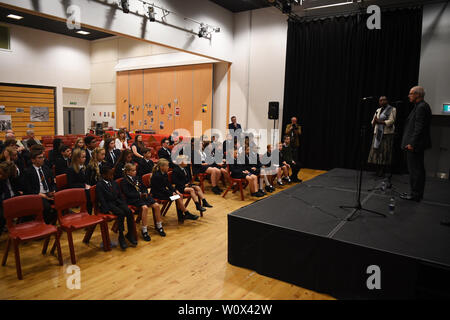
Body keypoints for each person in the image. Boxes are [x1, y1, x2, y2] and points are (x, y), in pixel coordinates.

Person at [400, 86, 432, 202]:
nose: (409, 95)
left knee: (415, 170)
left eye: (411, 93)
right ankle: (416, 193)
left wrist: (412, 143)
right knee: (417, 170)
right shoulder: (420, 106)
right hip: (417, 144)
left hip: (415, 145)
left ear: (417, 95)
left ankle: (415, 195)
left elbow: (419, 128)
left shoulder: (421, 107)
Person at [96, 165, 137, 250]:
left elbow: (120, 195)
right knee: (121, 213)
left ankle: (130, 233)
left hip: (117, 202)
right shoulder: (100, 185)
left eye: (112, 174)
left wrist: (124, 204)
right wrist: (107, 210)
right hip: (109, 204)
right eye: (110, 174)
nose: (112, 176)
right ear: (103, 175)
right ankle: (121, 236)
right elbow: (101, 200)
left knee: (128, 211)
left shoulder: (113, 182)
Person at [121, 163, 166, 240]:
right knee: (144, 208)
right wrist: (140, 195)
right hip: (134, 199)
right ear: (128, 172)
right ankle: (144, 230)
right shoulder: (125, 181)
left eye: (135, 170)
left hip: (143, 196)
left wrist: (145, 192)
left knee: (156, 205)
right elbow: (127, 193)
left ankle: (159, 226)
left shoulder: (137, 178)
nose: (135, 172)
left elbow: (144, 187)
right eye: (133, 170)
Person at [151, 159, 198, 223]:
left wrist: (175, 191)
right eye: (167, 166)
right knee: (177, 197)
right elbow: (160, 189)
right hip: (158, 195)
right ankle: (186, 213)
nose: (168, 167)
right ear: (161, 167)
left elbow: (169, 185)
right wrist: (171, 193)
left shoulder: (164, 173)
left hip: (164, 193)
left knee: (180, 195)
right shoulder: (157, 176)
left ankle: (181, 216)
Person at [22, 148, 56, 224]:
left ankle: (51, 223)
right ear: (33, 160)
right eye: (39, 158)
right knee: (46, 207)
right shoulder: (28, 172)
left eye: (43, 157)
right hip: (36, 195)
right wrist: (39, 194)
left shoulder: (46, 168)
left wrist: (53, 190)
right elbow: (27, 189)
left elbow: (53, 183)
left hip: (47, 193)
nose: (43, 159)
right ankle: (45, 225)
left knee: (61, 202)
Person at [367, 96, 397, 177]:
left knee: (384, 152)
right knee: (377, 152)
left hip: (386, 134)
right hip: (377, 133)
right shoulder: (378, 110)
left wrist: (379, 121)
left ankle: (382, 170)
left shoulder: (392, 109)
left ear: (387, 101)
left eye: (384, 100)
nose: (382, 101)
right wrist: (374, 122)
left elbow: (391, 121)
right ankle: (377, 169)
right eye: (380, 100)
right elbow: (373, 121)